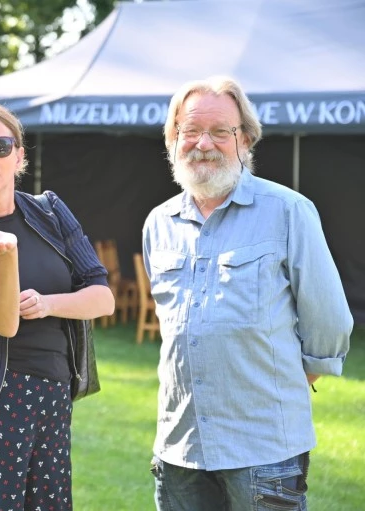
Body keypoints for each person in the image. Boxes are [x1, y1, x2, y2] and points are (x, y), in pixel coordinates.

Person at [143, 75, 353, 511]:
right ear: (173, 140)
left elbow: (329, 319)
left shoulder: (289, 211)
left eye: (221, 131)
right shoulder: (158, 223)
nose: (204, 143)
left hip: (263, 447)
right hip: (179, 445)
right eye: (190, 131)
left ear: (246, 140)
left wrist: (288, 382)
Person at [0, 102, 115, 511]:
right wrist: (5, 258)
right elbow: (4, 323)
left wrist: (47, 304)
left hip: (53, 392)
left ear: (19, 155)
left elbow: (102, 298)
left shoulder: (49, 211)